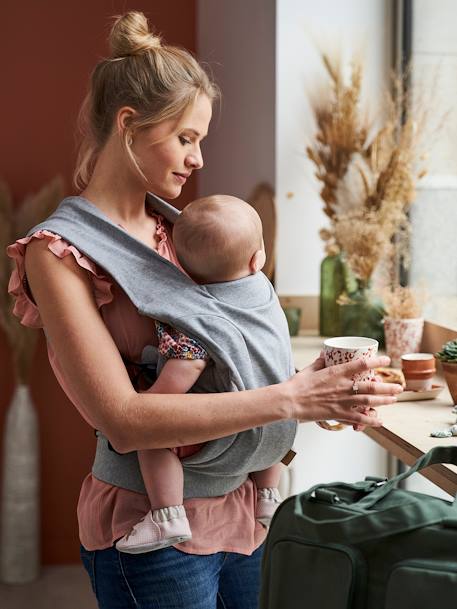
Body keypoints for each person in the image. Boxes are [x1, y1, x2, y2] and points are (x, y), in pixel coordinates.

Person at [7, 11, 402, 609]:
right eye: (186, 138)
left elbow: (221, 368)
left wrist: (317, 388)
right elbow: (123, 420)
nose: (198, 160)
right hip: (152, 527)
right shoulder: (58, 254)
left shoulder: (181, 231)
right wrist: (292, 399)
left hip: (242, 507)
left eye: (201, 141)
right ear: (130, 125)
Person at [116, 195, 286, 554]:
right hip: (280, 429)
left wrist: (148, 405)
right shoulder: (265, 295)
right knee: (268, 417)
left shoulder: (195, 316)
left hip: (229, 431)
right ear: (258, 260)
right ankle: (269, 498)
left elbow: (185, 369)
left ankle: (167, 516)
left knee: (153, 438)